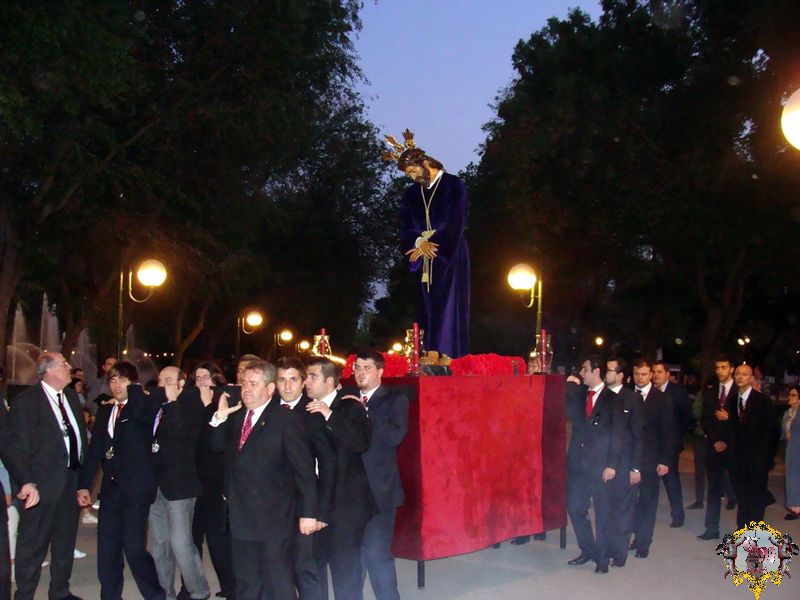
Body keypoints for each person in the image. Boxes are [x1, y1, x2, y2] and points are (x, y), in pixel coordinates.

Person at [210, 360, 317, 600]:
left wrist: (309, 513)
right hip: (240, 516)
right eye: (244, 383)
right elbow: (216, 448)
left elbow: (305, 471)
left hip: (274, 519)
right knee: (246, 583)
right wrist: (219, 417)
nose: (246, 389)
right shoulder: (237, 417)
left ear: (270, 389)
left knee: (277, 584)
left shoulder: (285, 420)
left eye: (253, 384)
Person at [77, 362, 165, 600]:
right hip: (111, 489)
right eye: (113, 381)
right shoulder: (106, 410)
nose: (117, 386)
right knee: (107, 548)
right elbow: (95, 450)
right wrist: (84, 485)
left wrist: (135, 389)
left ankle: (155, 594)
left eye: (123, 380)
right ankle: (110, 595)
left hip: (137, 489)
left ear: (133, 382)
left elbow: (141, 414)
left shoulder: (143, 405)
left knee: (134, 548)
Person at [6, 352, 87, 600]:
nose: (69, 367)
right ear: (49, 370)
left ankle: (60, 592)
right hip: (40, 486)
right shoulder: (27, 402)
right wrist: (27, 481)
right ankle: (24, 594)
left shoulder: (71, 397)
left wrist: (82, 483)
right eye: (64, 364)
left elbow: (79, 438)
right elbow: (12, 446)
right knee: (32, 546)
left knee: (64, 543)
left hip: (69, 482)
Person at [384, 129, 470, 358]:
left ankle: (446, 354)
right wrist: (419, 242)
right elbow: (405, 227)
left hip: (448, 254)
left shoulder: (454, 185)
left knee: (447, 304)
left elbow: (456, 222)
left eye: (413, 171)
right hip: (422, 256)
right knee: (425, 305)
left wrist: (436, 247)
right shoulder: (411, 195)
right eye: (408, 175)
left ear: (424, 162)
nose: (412, 177)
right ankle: (425, 352)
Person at [305, 357, 377, 599]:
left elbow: (360, 443)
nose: (307, 381)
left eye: (312, 376)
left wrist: (329, 415)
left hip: (346, 505)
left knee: (345, 571)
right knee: (313, 568)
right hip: (315, 503)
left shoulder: (350, 407)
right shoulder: (306, 408)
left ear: (329, 380)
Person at [275, 357, 337, 600]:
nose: (287, 386)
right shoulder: (267, 411)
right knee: (279, 570)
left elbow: (328, 465)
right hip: (273, 508)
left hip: (305, 506)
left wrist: (320, 512)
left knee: (307, 569)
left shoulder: (314, 413)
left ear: (303, 383)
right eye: (282, 380)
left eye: (293, 380)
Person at [349, 350, 409, 598]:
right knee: (353, 556)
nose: (361, 372)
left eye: (367, 368)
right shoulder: (347, 400)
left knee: (376, 553)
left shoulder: (394, 399)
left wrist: (365, 411)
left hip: (380, 491)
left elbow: (395, 437)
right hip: (351, 491)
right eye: (357, 367)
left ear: (380, 372)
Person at [148, 367, 210, 600]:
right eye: (161, 379)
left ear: (182, 383)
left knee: (181, 543)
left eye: (169, 380)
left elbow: (183, 437)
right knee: (160, 544)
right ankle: (165, 592)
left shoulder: (190, 405)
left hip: (180, 486)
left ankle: (199, 590)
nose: (163, 383)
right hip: (156, 485)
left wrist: (173, 403)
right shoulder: (158, 405)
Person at [565, 356, 617, 574]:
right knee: (576, 508)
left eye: (584, 370)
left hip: (601, 465)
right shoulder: (580, 396)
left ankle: (603, 558)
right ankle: (588, 549)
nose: (582, 374)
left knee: (603, 512)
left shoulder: (612, 398)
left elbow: (619, 435)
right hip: (578, 464)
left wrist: (612, 464)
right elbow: (564, 400)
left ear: (596, 371)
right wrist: (570, 382)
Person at [190, 361, 236, 599]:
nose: (201, 382)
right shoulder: (189, 404)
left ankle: (231, 587)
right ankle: (193, 586)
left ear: (216, 379)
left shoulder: (225, 402)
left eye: (205, 377)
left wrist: (214, 408)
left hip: (218, 480)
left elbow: (219, 444)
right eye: (197, 378)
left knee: (218, 537)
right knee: (195, 536)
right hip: (196, 480)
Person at [629, 359, 674, 559]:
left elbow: (668, 433)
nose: (640, 378)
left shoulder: (662, 399)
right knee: (629, 502)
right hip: (629, 460)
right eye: (637, 374)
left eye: (644, 374)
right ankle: (634, 537)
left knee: (647, 502)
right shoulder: (627, 396)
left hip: (651, 459)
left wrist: (664, 460)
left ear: (651, 375)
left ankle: (644, 542)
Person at [603, 357, 644, 568]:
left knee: (623, 510)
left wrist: (635, 467)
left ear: (619, 375)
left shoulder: (631, 399)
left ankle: (620, 553)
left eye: (609, 370)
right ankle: (609, 547)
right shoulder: (603, 396)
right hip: (605, 464)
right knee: (608, 508)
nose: (605, 373)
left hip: (626, 464)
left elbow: (638, 435)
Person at [726, 364, 778, 529]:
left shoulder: (762, 401)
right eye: (738, 374)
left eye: (745, 374)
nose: (740, 377)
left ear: (751, 378)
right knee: (742, 498)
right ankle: (742, 531)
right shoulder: (732, 400)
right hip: (738, 461)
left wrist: (767, 458)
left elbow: (773, 431)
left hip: (757, 461)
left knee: (755, 500)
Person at [699, 354, 739, 540]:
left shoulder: (740, 392)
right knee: (714, 488)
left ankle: (744, 529)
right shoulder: (710, 392)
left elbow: (748, 421)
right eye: (718, 368)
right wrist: (715, 440)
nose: (720, 371)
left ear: (731, 369)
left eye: (724, 367)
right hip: (714, 448)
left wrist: (730, 419)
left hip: (735, 448)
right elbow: (705, 419)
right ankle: (712, 528)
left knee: (740, 488)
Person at [652, 361, 692, 528]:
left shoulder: (677, 392)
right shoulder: (649, 391)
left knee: (671, 480)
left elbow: (687, 416)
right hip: (652, 444)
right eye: (654, 372)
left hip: (670, 444)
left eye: (660, 372)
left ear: (668, 374)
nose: (656, 375)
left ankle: (677, 515)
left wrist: (676, 434)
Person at [783, 386, 800, 521]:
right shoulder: (788, 413)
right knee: (792, 477)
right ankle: (794, 507)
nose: (790, 397)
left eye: (793, 395)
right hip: (792, 448)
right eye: (790, 395)